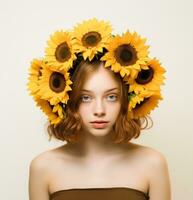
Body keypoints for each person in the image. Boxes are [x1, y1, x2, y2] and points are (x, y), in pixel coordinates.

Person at [27, 18, 171, 200]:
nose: (99, 110)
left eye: (111, 97)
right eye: (86, 98)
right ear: (67, 100)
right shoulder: (43, 167)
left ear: (127, 101)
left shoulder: (153, 164)